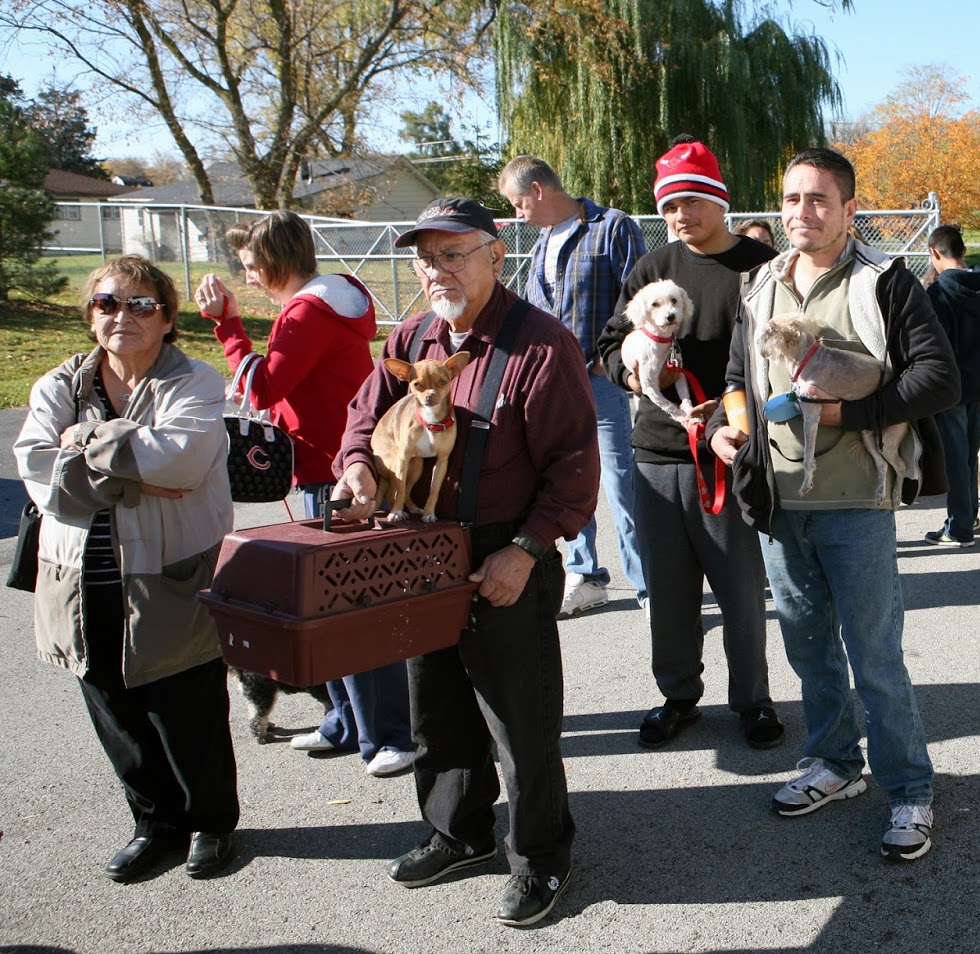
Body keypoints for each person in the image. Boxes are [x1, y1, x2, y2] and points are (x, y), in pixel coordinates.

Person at [330, 197, 600, 928]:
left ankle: (541, 857)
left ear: (495, 256)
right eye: (425, 256)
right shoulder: (414, 333)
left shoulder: (540, 345)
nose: (437, 269)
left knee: (520, 719)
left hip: (505, 551)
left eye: (454, 254)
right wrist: (357, 466)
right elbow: (363, 413)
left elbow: (575, 467)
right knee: (437, 709)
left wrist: (527, 548)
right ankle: (460, 831)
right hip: (421, 551)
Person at [708, 148, 959, 861]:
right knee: (808, 647)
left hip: (857, 500)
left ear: (851, 210)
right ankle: (834, 764)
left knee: (875, 655)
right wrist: (731, 426)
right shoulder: (759, 284)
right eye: (791, 199)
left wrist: (851, 417)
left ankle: (910, 791)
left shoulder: (887, 283)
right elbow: (736, 374)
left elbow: (939, 379)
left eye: (818, 200)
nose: (801, 213)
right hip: (777, 500)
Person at [15, 255, 238, 882]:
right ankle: (154, 824)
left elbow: (181, 462)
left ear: (167, 319)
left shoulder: (194, 380)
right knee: (113, 707)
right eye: (108, 303)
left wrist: (83, 446)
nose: (123, 316)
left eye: (142, 305)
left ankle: (212, 824)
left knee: (187, 707)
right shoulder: (59, 386)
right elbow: (37, 469)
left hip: (172, 572)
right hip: (79, 577)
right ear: (91, 318)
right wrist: (130, 463)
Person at [193, 211, 414, 779]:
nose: (248, 279)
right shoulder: (335, 300)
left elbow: (264, 383)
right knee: (326, 604)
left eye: (251, 268)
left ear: (275, 262)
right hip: (329, 464)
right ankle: (345, 720)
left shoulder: (308, 311)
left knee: (349, 606)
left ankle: (389, 732)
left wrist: (228, 325)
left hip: (334, 471)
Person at [595, 137, 783, 751]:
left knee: (739, 590)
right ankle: (677, 696)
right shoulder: (653, 269)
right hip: (655, 451)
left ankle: (753, 701)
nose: (682, 215)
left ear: (719, 201)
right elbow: (606, 343)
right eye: (671, 205)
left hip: (729, 450)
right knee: (669, 590)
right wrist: (631, 373)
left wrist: (747, 421)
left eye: (694, 201)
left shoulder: (759, 265)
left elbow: (778, 353)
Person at [499, 155, 647, 618]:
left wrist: (614, 356)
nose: (518, 213)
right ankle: (587, 576)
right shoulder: (542, 242)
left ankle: (649, 585)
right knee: (566, 480)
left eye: (519, 203)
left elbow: (640, 296)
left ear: (539, 190)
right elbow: (532, 308)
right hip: (555, 386)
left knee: (623, 483)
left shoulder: (613, 227)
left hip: (602, 382)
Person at [924, 224, 980, 548]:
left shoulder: (938, 292)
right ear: (964, 251)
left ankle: (958, 527)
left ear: (934, 253)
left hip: (949, 385)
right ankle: (968, 514)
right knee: (969, 454)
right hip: (978, 382)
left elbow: (933, 342)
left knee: (955, 459)